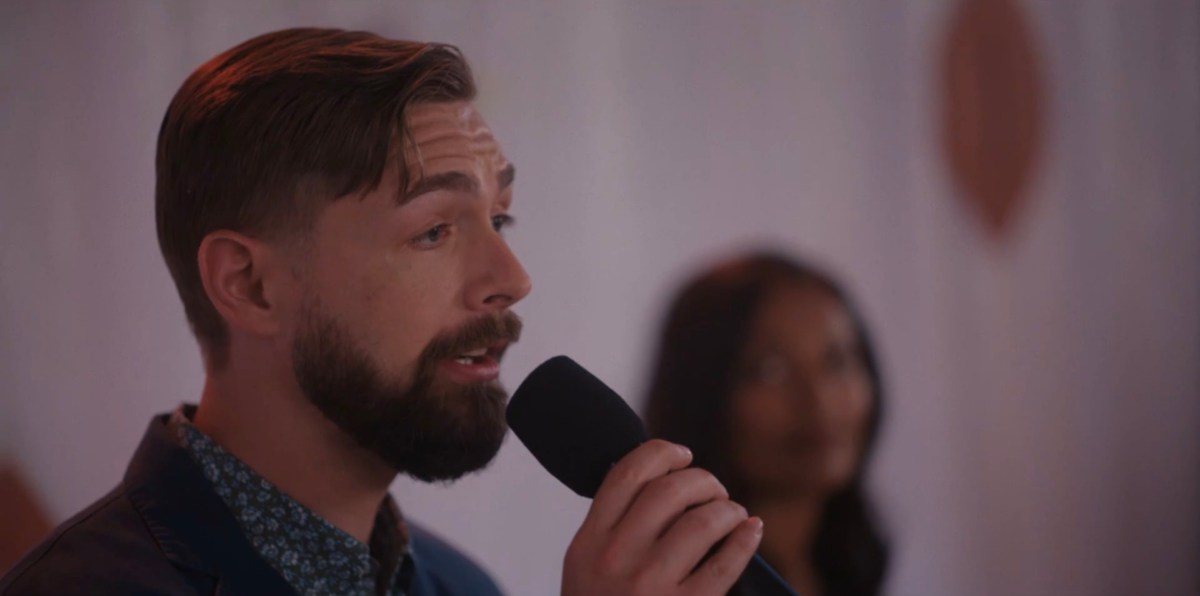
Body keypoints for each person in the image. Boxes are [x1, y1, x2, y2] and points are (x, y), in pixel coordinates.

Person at [0, 28, 763, 596]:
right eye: (433, 231)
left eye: (500, 221)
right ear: (250, 285)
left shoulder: (465, 586)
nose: (513, 279)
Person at [644, 252, 889, 596]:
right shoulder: (667, 584)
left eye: (837, 361)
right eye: (769, 370)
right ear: (702, 392)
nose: (819, 402)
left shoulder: (850, 563)